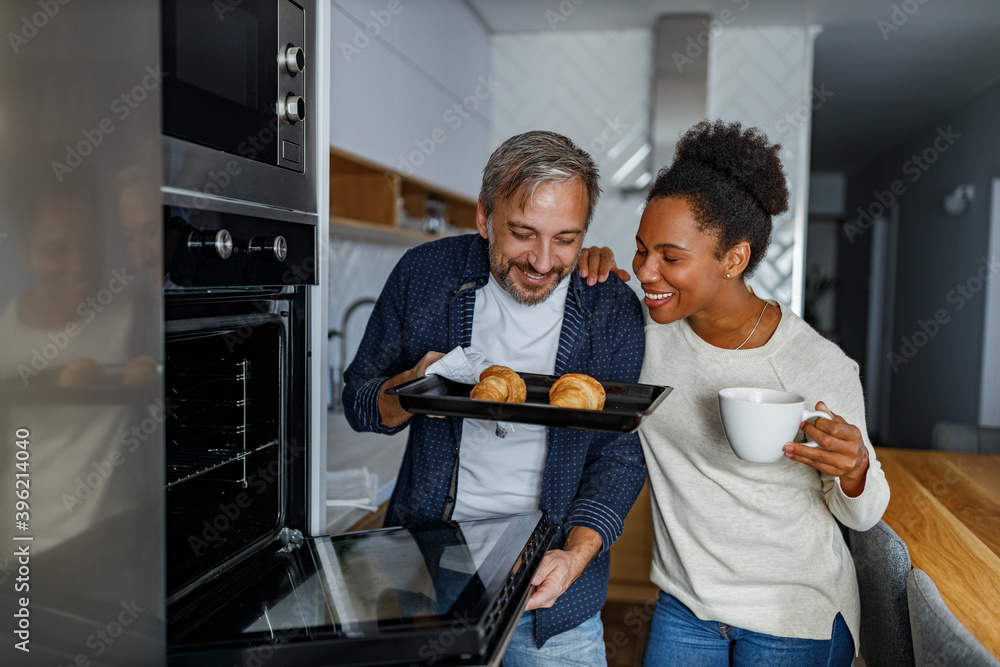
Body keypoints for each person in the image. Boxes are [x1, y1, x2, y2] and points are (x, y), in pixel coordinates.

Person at [579, 119, 890, 666]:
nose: (646, 270)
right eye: (640, 248)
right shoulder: (643, 337)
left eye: (670, 257)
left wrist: (855, 469)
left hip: (793, 614)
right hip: (687, 605)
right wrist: (584, 273)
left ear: (734, 259)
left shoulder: (817, 365)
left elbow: (864, 517)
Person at [342, 130, 646, 666]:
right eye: (523, 234)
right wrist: (410, 390)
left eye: (567, 239)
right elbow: (360, 400)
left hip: (555, 591)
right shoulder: (425, 274)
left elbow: (620, 456)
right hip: (433, 576)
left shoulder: (611, 307)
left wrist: (575, 555)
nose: (543, 261)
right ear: (485, 217)